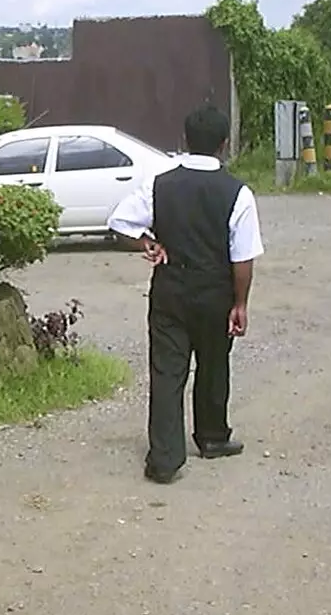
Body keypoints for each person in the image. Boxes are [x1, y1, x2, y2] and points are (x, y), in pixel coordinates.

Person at [106, 105, 263, 484]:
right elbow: (242, 257)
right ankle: (212, 437)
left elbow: (119, 222)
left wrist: (147, 242)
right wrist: (240, 304)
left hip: (170, 288)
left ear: (185, 141)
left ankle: (165, 457)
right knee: (213, 365)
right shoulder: (237, 193)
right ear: (224, 145)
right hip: (215, 291)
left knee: (167, 371)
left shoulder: (159, 184)